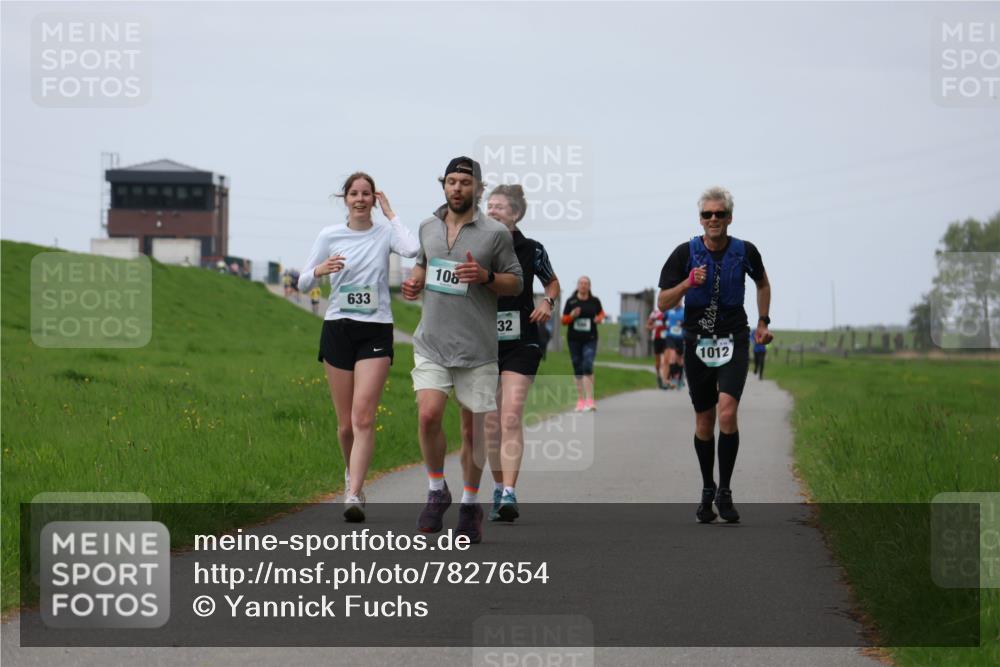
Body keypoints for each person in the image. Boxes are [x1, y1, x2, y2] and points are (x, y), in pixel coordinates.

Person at [401, 157, 523, 544]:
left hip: (477, 349)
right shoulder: (427, 227)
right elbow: (423, 264)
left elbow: (516, 284)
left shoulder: (495, 234)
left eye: (464, 183)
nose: (456, 188)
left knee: (474, 430)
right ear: (444, 186)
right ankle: (437, 489)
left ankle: (471, 505)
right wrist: (415, 281)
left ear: (478, 189)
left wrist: (486, 276)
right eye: (451, 182)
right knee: (428, 414)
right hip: (432, 342)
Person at [298, 172, 419, 522]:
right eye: (355, 193)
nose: (361, 199)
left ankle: (353, 493)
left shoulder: (384, 233)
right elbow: (304, 282)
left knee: (363, 416)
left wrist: (392, 213)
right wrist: (320, 269)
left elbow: (412, 249)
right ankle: (352, 476)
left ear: (374, 199)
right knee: (345, 425)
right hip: (338, 329)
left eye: (367, 194)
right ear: (345, 199)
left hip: (375, 330)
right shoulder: (329, 235)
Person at [657, 186, 772, 524]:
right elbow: (663, 302)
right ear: (700, 219)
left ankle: (726, 491)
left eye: (719, 214)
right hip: (697, 342)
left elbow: (763, 284)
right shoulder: (685, 253)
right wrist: (687, 284)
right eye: (707, 214)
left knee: (727, 412)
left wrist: (763, 321)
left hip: (734, 339)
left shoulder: (745, 251)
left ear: (729, 218)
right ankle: (708, 487)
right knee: (705, 420)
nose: (713, 219)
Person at [483, 184, 560, 523]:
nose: (493, 211)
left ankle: (511, 492)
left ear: (515, 214)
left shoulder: (533, 249)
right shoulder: (476, 245)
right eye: (490, 205)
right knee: (490, 424)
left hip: (522, 341)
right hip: (481, 343)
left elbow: (552, 282)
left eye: (499, 206)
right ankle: (498, 487)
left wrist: (548, 301)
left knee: (511, 414)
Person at [562, 277, 605, 411]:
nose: (583, 286)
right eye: (581, 283)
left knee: (588, 364)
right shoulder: (571, 301)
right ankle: (580, 400)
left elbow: (601, 313)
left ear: (589, 286)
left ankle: (590, 400)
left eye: (586, 284)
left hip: (590, 338)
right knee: (578, 368)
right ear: (577, 285)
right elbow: (563, 320)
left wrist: (599, 318)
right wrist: (572, 316)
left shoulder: (594, 301)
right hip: (574, 339)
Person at [664, 301, 686, 389]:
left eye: (680, 301)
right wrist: (667, 325)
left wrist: (682, 324)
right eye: (677, 300)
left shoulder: (684, 312)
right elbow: (663, 319)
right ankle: (672, 379)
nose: (678, 302)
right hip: (670, 337)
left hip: (680, 338)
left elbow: (688, 324)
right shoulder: (669, 311)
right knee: (672, 356)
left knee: (679, 360)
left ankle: (679, 378)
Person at [647, 307, 669, 389]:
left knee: (665, 359)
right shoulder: (655, 313)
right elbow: (648, 325)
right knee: (658, 361)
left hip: (667, 339)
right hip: (657, 339)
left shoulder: (670, 312)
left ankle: (665, 380)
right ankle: (658, 376)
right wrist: (653, 327)